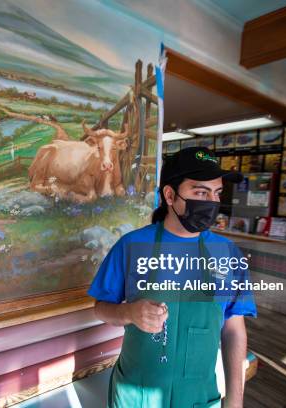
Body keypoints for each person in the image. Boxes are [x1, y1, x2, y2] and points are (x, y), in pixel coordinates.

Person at [88, 146, 257, 408]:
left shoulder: (227, 253)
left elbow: (234, 329)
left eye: (217, 193)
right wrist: (130, 313)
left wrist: (235, 401)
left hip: (199, 398)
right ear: (170, 194)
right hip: (137, 395)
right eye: (201, 192)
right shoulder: (132, 245)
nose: (212, 202)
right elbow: (100, 309)